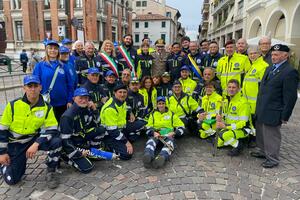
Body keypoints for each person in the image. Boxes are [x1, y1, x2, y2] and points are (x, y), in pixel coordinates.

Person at [0, 75, 61, 189]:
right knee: (13, 180)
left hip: (33, 139)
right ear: (24, 88)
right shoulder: (13, 105)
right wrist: (2, 152)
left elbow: (52, 128)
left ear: (40, 87)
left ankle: (51, 170)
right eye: (29, 86)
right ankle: (3, 165)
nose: (33, 89)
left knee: (56, 141)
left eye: (35, 86)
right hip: (15, 143)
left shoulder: (47, 107)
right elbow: (2, 130)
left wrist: (36, 143)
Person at [252, 44, 299, 168]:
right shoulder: (270, 68)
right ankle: (263, 151)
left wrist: (285, 115)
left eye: (277, 54)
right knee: (261, 132)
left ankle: (272, 159)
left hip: (274, 110)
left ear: (285, 56)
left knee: (271, 135)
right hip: (263, 107)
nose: (273, 56)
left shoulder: (290, 72)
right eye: (272, 54)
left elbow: (290, 97)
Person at [60, 87, 105, 173]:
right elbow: (65, 140)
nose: (84, 100)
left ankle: (93, 151)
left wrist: (94, 109)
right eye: (80, 98)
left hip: (81, 137)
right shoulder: (67, 116)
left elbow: (97, 123)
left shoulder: (86, 109)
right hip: (71, 144)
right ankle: (64, 157)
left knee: (101, 129)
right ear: (74, 99)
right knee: (87, 168)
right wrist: (78, 153)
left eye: (86, 98)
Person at [33, 40, 73, 121]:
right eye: (50, 48)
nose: (53, 50)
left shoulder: (63, 66)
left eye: (55, 48)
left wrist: (70, 100)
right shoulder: (40, 66)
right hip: (46, 103)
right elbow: (35, 84)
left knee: (61, 126)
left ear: (58, 51)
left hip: (62, 103)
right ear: (46, 50)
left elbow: (70, 84)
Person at [143, 96, 185, 168]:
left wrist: (174, 133)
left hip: (168, 135)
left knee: (170, 143)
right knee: (151, 142)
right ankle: (148, 156)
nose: (161, 105)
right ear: (157, 105)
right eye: (159, 103)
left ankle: (161, 157)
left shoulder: (172, 114)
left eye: (163, 103)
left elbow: (182, 127)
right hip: (156, 134)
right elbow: (147, 127)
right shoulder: (153, 114)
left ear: (165, 104)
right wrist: (153, 133)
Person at [101, 84, 140, 160]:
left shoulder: (121, 101)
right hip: (110, 134)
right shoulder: (110, 109)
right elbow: (112, 131)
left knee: (141, 123)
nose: (122, 94)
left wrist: (130, 113)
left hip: (121, 128)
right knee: (127, 155)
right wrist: (127, 142)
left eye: (124, 92)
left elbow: (125, 107)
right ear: (115, 93)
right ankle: (107, 145)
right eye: (120, 92)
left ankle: (124, 139)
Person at [216, 79, 252, 156]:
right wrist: (220, 119)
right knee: (218, 143)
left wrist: (226, 126)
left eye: (234, 87)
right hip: (231, 127)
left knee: (224, 135)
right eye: (229, 87)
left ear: (238, 89)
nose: (231, 89)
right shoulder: (227, 101)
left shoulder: (243, 103)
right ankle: (235, 140)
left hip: (243, 129)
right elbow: (227, 117)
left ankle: (239, 145)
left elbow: (243, 123)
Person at [242, 46, 268, 147]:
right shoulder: (252, 66)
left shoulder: (263, 66)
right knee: (251, 122)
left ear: (260, 53)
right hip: (248, 102)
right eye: (250, 54)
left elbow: (263, 86)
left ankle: (255, 141)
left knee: (256, 123)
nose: (252, 55)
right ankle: (251, 139)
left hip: (256, 102)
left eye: (254, 53)